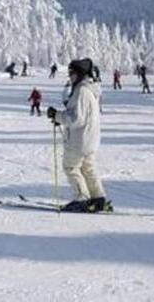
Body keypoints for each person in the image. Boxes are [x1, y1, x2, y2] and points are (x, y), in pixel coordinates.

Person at [46, 58, 112, 213]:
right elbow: (79, 115)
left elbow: (76, 118)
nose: (70, 76)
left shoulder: (81, 91)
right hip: (90, 139)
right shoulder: (89, 89)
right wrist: (60, 118)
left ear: (80, 74)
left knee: (71, 167)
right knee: (88, 168)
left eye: (72, 73)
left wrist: (57, 116)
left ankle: (81, 198)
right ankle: (98, 198)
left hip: (79, 140)